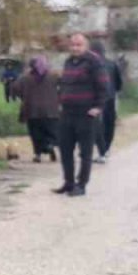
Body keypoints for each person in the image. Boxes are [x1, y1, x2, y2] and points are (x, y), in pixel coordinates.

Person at [53, 33, 109, 197]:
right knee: (65, 150)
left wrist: (98, 107)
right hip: (67, 113)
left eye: (79, 45)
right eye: (73, 45)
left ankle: (81, 184)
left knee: (85, 152)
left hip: (86, 114)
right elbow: (64, 84)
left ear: (86, 46)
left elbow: (104, 85)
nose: (75, 48)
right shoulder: (69, 62)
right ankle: (68, 182)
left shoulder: (94, 61)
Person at [12, 55, 61, 163]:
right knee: (51, 132)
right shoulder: (53, 76)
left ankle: (37, 154)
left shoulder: (25, 78)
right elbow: (64, 86)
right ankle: (50, 146)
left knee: (36, 134)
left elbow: (15, 89)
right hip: (51, 111)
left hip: (32, 111)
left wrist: (23, 96)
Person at [90, 41, 123, 164]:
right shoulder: (113, 64)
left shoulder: (91, 64)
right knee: (109, 124)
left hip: (96, 99)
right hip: (111, 97)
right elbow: (119, 84)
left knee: (98, 125)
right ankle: (106, 149)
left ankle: (101, 151)